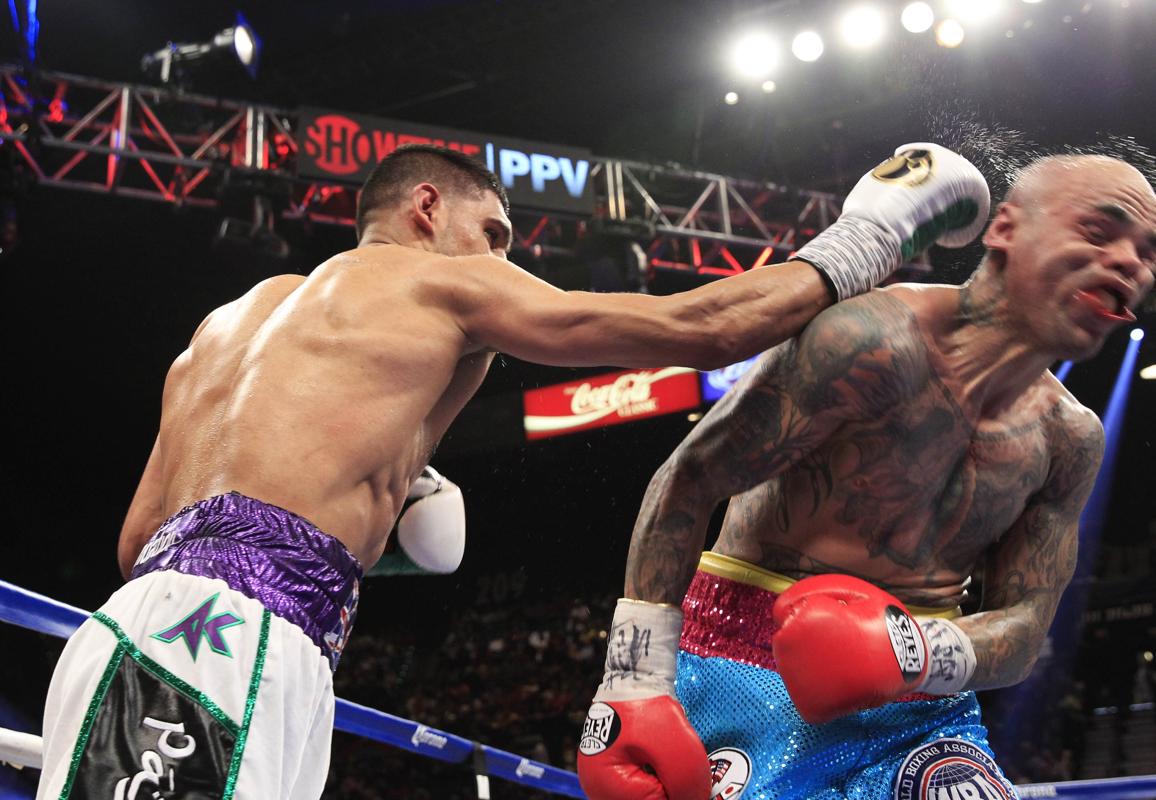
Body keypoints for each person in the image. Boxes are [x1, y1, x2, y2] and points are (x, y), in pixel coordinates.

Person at [36, 142, 987, 799]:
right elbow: (703, 327)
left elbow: (141, 546)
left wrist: (358, 527)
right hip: (225, 645)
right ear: (425, 209)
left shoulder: (218, 331)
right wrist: (871, 233)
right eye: (494, 232)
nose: (505, 257)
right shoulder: (436, 278)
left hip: (168, 634)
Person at [577, 153, 1156, 800]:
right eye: (1100, 233)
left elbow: (1022, 626)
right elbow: (688, 481)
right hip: (734, 659)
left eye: (1148, 252)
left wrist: (911, 652)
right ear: (1006, 229)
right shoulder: (869, 343)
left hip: (921, 701)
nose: (1132, 263)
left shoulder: (1068, 438)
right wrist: (633, 679)